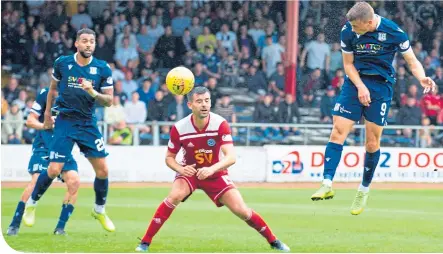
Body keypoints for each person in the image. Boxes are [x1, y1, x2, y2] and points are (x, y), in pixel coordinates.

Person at [311, 2, 437, 215]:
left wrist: (422, 77)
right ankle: (327, 183)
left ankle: (363, 189)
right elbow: (348, 64)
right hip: (355, 83)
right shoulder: (348, 30)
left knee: (371, 142)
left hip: (381, 87)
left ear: (369, 22)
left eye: (357, 27)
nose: (352, 30)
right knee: (337, 132)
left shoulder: (394, 32)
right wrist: (360, 86)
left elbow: (412, 61)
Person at [135, 87, 289, 252]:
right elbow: (169, 158)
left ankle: (274, 241)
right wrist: (181, 168)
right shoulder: (180, 127)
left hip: (215, 173)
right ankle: (144, 242)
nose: (204, 105)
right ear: (190, 105)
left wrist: (211, 169)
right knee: (175, 196)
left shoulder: (220, 123)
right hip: (190, 172)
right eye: (199, 101)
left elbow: (231, 157)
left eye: (207, 101)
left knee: (242, 211)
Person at [23, 28, 116, 232]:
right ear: (76, 43)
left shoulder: (102, 68)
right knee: (54, 169)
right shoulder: (63, 63)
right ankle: (31, 204)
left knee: (103, 170)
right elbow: (53, 90)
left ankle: (99, 210)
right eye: (84, 41)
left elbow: (109, 101)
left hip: (87, 123)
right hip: (65, 121)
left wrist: (93, 92)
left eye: (91, 41)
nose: (88, 45)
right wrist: (47, 114)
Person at [7, 88, 80, 236]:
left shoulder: (76, 96)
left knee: (74, 181)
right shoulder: (45, 93)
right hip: (44, 145)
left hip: (62, 146)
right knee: (35, 181)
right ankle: (14, 224)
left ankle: (60, 228)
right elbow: (30, 121)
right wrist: (45, 126)